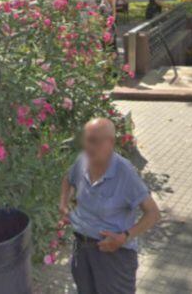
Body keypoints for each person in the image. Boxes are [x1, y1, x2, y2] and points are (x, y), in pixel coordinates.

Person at [61, 118, 160, 294]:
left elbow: (152, 213)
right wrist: (63, 204)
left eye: (94, 141)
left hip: (114, 254)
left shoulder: (125, 172)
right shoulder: (83, 160)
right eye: (86, 140)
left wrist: (124, 237)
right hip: (82, 249)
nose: (88, 147)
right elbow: (68, 178)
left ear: (110, 143)